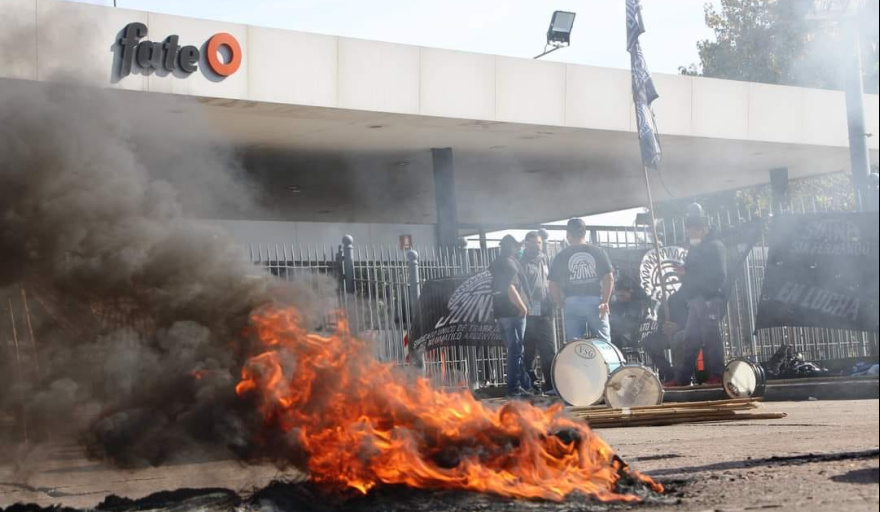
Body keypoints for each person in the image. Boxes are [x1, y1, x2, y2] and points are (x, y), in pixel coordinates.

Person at [667, 204, 727, 386]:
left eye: (692, 231)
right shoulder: (696, 248)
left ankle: (717, 374)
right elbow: (693, 270)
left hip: (708, 298)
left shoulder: (715, 247)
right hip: (695, 298)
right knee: (690, 340)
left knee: (711, 337)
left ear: (702, 229)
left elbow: (718, 275)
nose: (690, 235)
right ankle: (683, 378)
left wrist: (688, 274)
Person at [549, 218, 615, 343]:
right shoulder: (598, 251)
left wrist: (560, 301)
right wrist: (605, 301)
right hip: (595, 301)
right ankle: (607, 362)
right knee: (604, 342)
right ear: (585, 233)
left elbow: (552, 284)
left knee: (575, 344)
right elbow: (609, 278)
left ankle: (578, 362)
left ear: (568, 235)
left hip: (572, 302)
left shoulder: (561, 256)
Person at [489, 234, 532, 398]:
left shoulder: (497, 263)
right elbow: (510, 288)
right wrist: (522, 307)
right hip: (513, 312)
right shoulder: (509, 265)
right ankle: (514, 388)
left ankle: (524, 384)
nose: (520, 249)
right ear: (512, 247)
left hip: (501, 313)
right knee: (515, 351)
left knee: (514, 350)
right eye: (517, 246)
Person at [519, 231, 557, 393]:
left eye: (539, 243)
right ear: (526, 244)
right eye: (534, 243)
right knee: (529, 352)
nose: (537, 246)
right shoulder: (521, 263)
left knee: (548, 350)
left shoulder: (545, 260)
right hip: (528, 314)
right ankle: (531, 384)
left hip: (544, 313)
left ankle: (549, 385)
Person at [641, 290, 688, 383]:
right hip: (667, 334)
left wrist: (679, 326)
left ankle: (681, 376)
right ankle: (668, 372)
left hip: (687, 331)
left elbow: (694, 319)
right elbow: (660, 320)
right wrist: (664, 326)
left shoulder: (690, 298)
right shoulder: (671, 299)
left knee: (679, 338)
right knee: (649, 341)